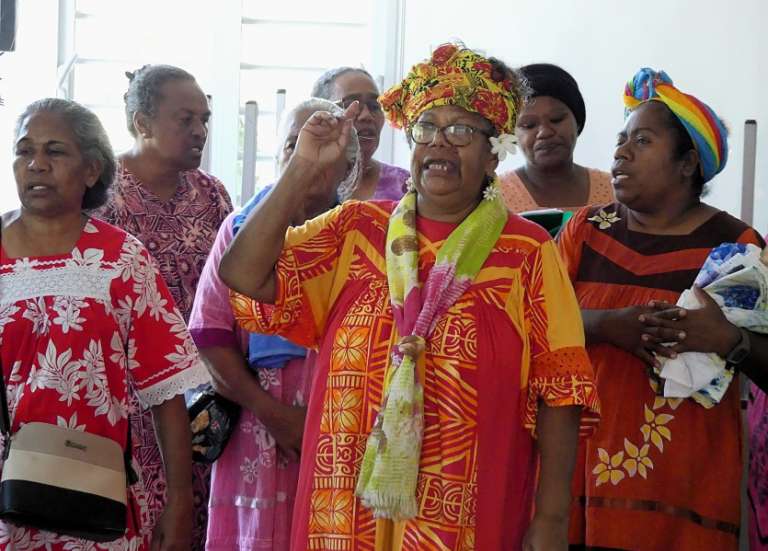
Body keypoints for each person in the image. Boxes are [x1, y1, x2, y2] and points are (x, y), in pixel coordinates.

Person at [220, 43, 599, 551]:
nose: (440, 143)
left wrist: (551, 520)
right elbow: (243, 274)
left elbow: (561, 388)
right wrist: (302, 170)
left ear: (493, 151)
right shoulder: (356, 230)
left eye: (461, 130)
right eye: (426, 128)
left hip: (465, 503)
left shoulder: (526, 251)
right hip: (346, 503)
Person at [558, 68, 767, 551]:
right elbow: (531, 323)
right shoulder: (585, 231)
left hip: (682, 493)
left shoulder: (736, 246)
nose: (620, 153)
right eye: (620, 140)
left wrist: (728, 341)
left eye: (642, 141)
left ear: (688, 163)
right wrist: (610, 326)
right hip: (573, 483)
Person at [0, 98, 211, 550]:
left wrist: (177, 503)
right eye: (24, 150)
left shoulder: (121, 259)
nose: (36, 164)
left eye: (55, 151)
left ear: (91, 170)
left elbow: (167, 389)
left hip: (92, 498)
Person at [188, 98, 361, 550]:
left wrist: (319, 423)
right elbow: (210, 337)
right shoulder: (237, 230)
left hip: (340, 429)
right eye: (293, 146)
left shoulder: (364, 237)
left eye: (322, 148)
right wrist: (276, 416)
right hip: (254, 423)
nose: (304, 159)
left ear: (347, 167)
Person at [96, 64, 232, 551]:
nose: (199, 131)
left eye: (205, 119)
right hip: (131, 408)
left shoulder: (212, 195)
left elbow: (230, 296)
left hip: (208, 406)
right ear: (141, 122)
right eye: (185, 119)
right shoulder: (103, 200)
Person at [498, 63, 613, 213]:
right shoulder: (495, 199)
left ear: (577, 121)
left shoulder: (614, 190)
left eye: (556, 119)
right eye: (529, 125)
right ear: (512, 134)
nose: (545, 132)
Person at [311, 67, 409, 200]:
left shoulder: (406, 187)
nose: (366, 116)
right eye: (350, 106)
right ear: (319, 115)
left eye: (374, 106)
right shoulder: (297, 188)